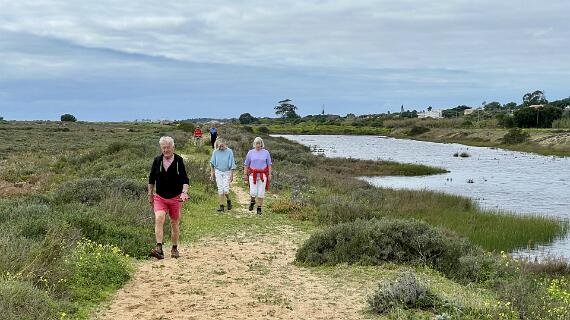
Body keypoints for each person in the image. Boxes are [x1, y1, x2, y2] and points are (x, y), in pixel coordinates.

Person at [148, 136, 189, 259]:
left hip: (175, 197)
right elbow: (151, 179)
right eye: (164, 148)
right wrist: (150, 194)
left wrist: (184, 192)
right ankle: (159, 248)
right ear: (161, 148)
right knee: (159, 218)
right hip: (160, 196)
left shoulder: (178, 160)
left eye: (168, 147)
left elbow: (185, 179)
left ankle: (174, 248)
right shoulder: (157, 160)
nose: (166, 150)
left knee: (174, 222)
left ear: (173, 147)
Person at [243, 137, 272, 214]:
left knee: (261, 193)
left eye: (259, 143)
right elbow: (246, 165)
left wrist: (269, 174)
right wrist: (245, 174)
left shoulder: (266, 152)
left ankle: (259, 208)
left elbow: (269, 164)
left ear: (261, 144)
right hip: (252, 175)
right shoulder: (250, 153)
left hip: (263, 175)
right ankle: (252, 202)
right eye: (256, 143)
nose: (258, 145)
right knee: (253, 192)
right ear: (254, 144)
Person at [209, 138, 236, 212]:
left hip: (227, 172)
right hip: (218, 172)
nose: (221, 147)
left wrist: (232, 175)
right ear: (217, 146)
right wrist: (212, 174)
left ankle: (228, 200)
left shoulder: (229, 151)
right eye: (219, 146)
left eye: (222, 146)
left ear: (225, 144)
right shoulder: (215, 152)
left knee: (226, 190)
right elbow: (212, 163)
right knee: (220, 189)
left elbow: (232, 164)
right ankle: (221, 206)